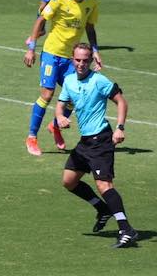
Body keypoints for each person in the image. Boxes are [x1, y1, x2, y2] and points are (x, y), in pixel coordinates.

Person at [55, 43, 138, 248]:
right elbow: (60, 105)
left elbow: (121, 102)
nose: (81, 64)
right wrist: (59, 117)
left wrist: (120, 127)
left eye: (85, 60)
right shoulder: (69, 81)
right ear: (72, 59)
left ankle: (126, 229)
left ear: (91, 61)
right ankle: (103, 209)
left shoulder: (99, 80)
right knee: (69, 181)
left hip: (101, 139)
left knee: (104, 185)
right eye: (78, 60)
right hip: (85, 142)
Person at [23, 0, 101, 156]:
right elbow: (40, 21)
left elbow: (90, 28)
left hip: (71, 58)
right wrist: (32, 48)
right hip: (52, 53)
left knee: (75, 95)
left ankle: (55, 125)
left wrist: (96, 51)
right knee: (48, 94)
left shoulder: (92, 3)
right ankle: (32, 137)